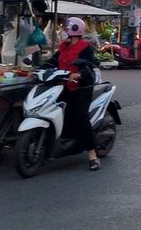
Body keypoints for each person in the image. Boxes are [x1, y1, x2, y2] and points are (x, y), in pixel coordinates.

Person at [44, 17, 102, 171]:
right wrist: (37, 69)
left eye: (65, 29)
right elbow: (52, 62)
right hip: (64, 86)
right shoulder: (63, 47)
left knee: (81, 117)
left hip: (81, 88)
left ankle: (92, 156)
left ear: (73, 30)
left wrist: (79, 74)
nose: (62, 32)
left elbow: (89, 65)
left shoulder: (85, 47)